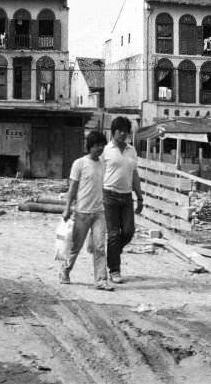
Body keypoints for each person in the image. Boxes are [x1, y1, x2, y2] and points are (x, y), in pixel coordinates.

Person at [60, 131, 114, 291]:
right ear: (89, 146)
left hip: (99, 212)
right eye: (97, 145)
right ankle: (65, 270)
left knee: (99, 246)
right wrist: (67, 208)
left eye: (102, 146)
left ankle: (101, 280)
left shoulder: (103, 164)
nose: (100, 149)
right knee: (75, 246)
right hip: (82, 212)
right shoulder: (79, 164)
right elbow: (73, 188)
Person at [102, 116, 143, 284]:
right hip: (109, 195)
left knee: (128, 231)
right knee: (113, 234)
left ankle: (112, 254)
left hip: (127, 196)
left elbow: (134, 174)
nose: (122, 134)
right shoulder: (106, 150)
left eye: (125, 132)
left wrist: (140, 196)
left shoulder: (131, 151)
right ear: (113, 132)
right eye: (119, 131)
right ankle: (115, 270)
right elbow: (99, 173)